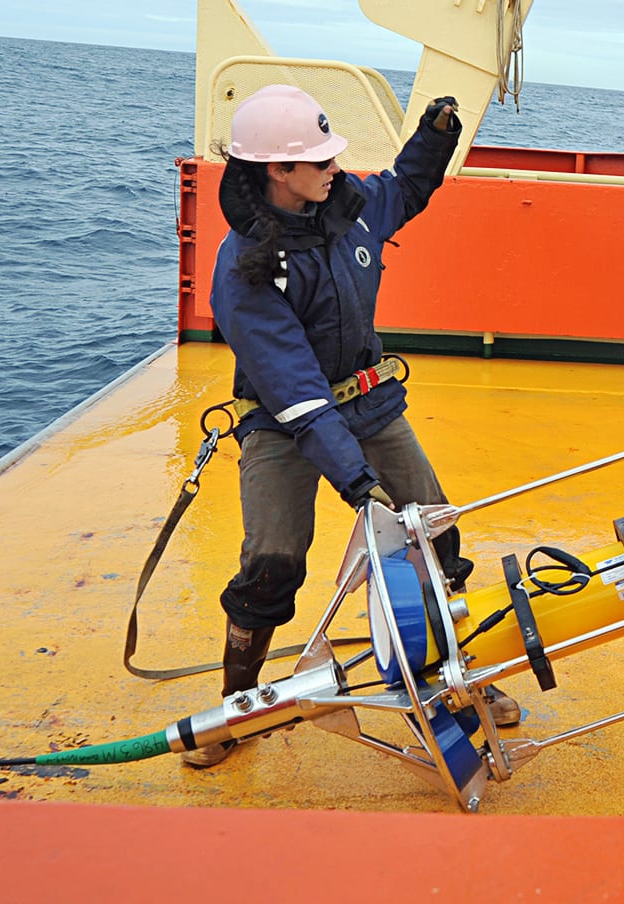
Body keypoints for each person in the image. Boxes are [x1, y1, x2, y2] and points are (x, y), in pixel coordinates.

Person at [184, 84, 518, 768]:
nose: (335, 166)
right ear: (278, 171)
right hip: (284, 423)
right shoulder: (246, 273)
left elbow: (409, 186)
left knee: (436, 532)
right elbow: (300, 398)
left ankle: (457, 678)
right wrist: (361, 489)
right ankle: (237, 706)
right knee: (273, 558)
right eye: (319, 159)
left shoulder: (350, 209)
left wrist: (437, 132)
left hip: (369, 403)